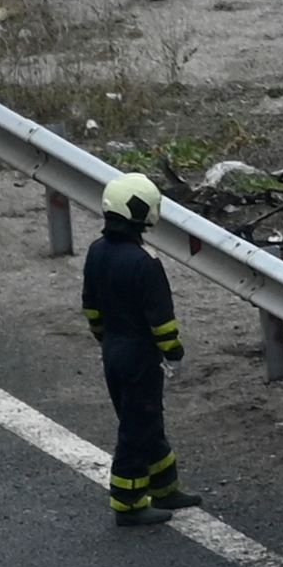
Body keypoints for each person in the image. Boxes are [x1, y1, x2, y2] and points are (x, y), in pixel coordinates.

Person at [83, 173, 202, 527]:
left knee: (143, 419)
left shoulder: (96, 251)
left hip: (113, 350)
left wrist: (105, 338)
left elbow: (91, 307)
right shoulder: (145, 262)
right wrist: (174, 352)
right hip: (139, 357)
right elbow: (162, 321)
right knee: (138, 426)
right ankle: (129, 501)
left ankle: (165, 486)